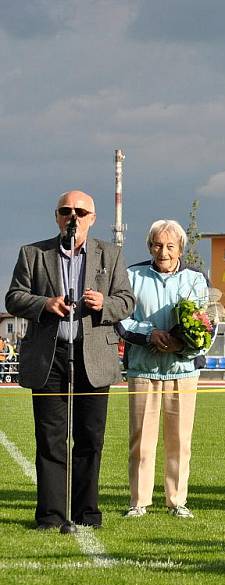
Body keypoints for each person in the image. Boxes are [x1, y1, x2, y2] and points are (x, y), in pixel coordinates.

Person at [5, 190, 134, 529]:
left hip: (92, 356)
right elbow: (15, 297)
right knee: (50, 438)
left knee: (91, 438)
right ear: (57, 216)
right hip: (50, 357)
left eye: (80, 211)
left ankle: (86, 511)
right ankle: (51, 514)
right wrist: (45, 305)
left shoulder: (111, 254)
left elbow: (127, 301)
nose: (72, 216)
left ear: (92, 218)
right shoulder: (33, 254)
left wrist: (102, 304)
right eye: (65, 210)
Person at [117, 220, 210, 519]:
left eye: (170, 246)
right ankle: (139, 501)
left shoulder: (196, 278)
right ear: (149, 246)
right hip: (143, 369)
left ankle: (177, 500)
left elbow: (206, 324)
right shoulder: (132, 275)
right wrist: (149, 334)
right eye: (157, 245)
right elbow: (122, 320)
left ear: (181, 248)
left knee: (180, 441)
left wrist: (181, 344)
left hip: (182, 371)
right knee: (141, 440)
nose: (163, 251)